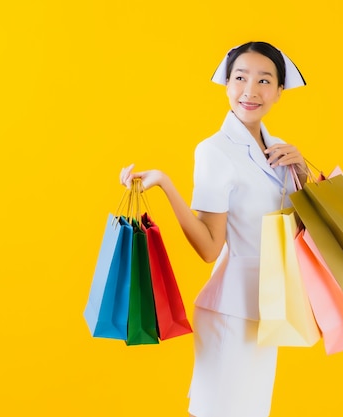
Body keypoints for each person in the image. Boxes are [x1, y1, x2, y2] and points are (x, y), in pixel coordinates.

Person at [120, 41, 309, 417]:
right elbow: (209, 248)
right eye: (240, 78)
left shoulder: (281, 152)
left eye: (263, 80)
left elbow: (297, 236)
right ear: (227, 84)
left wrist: (301, 175)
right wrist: (166, 184)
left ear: (279, 91)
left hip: (269, 307)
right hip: (231, 310)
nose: (250, 91)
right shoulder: (214, 151)